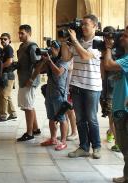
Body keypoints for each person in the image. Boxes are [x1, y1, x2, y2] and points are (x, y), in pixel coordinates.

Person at [61, 14, 102, 159]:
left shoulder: (98, 42)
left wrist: (74, 41)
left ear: (95, 26)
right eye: (82, 24)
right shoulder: (77, 41)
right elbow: (66, 58)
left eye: (86, 24)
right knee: (80, 119)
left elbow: (85, 56)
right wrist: (65, 42)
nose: (83, 27)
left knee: (91, 118)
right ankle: (84, 147)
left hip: (92, 86)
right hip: (76, 84)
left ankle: (96, 147)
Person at [102, 26, 128, 183]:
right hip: (120, 105)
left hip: (125, 108)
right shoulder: (124, 55)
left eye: (125, 35)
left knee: (126, 146)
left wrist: (109, 47)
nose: (121, 37)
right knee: (123, 146)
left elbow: (108, 65)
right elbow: (104, 69)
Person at [40, 42, 69, 151]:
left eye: (55, 48)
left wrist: (49, 61)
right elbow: (39, 71)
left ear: (60, 50)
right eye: (51, 48)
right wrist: (43, 61)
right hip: (49, 93)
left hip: (59, 93)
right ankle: (53, 139)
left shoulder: (64, 60)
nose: (52, 50)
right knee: (51, 117)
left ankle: (63, 141)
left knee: (62, 118)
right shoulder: (51, 59)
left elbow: (58, 72)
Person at [16, 24, 41, 142]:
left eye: (22, 33)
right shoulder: (22, 46)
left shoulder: (32, 46)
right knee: (29, 105)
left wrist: (31, 79)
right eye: (19, 33)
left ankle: (29, 133)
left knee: (28, 107)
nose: (20, 35)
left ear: (29, 33)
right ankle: (35, 129)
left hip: (29, 81)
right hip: (23, 80)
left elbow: (38, 65)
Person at [0, 33, 17, 122]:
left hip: (7, 75)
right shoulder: (3, 49)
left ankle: (3, 116)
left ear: (9, 40)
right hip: (4, 74)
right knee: (6, 95)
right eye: (2, 39)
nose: (3, 40)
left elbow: (9, 61)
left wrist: (0, 67)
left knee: (3, 96)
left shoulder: (9, 49)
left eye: (5, 39)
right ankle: (13, 114)